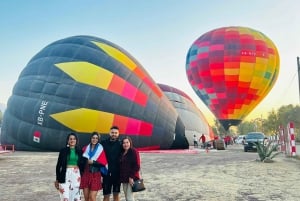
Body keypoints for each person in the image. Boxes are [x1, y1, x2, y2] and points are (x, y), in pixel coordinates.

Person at [55, 132, 84, 201]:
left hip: (76, 175)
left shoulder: (80, 152)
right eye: (70, 139)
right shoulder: (63, 151)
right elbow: (58, 166)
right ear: (68, 141)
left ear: (76, 140)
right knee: (65, 197)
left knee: (75, 197)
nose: (72, 140)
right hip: (64, 175)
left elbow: (83, 165)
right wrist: (57, 179)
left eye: (74, 139)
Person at [80, 132, 108, 201]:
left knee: (92, 197)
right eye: (93, 138)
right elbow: (81, 162)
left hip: (95, 175)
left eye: (96, 138)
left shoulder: (101, 149)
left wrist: (93, 162)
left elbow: (103, 163)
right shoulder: (84, 148)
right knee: (86, 198)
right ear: (91, 138)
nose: (94, 139)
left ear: (98, 139)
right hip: (86, 174)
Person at [101, 126, 122, 201]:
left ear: (118, 134)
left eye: (116, 133)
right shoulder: (103, 143)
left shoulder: (121, 144)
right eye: (112, 132)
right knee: (106, 195)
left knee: (116, 195)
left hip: (117, 174)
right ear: (109, 133)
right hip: (106, 174)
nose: (114, 134)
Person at [120, 136, 141, 201]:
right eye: (124, 143)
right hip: (124, 178)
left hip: (131, 178)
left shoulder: (133, 151)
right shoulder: (122, 152)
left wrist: (131, 177)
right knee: (127, 196)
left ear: (130, 143)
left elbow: (137, 165)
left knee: (129, 197)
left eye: (127, 142)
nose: (125, 144)